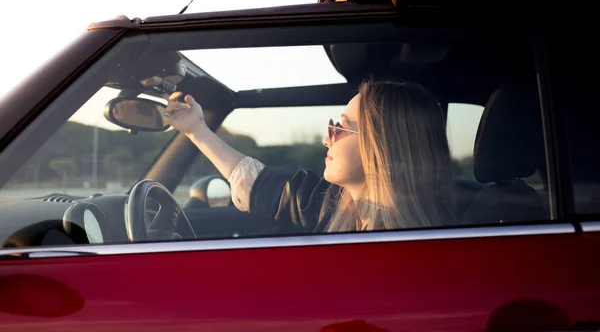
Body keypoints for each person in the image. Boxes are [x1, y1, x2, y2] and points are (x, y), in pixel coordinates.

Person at [163, 79, 456, 233]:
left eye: (341, 127)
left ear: (383, 146)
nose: (327, 138)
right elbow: (258, 183)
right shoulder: (335, 209)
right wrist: (195, 129)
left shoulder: (424, 257)